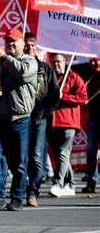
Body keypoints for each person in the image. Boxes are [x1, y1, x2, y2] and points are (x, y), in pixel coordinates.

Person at [0, 28, 38, 211]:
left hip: (19, 119)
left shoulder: (30, 62)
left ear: (22, 43)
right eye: (7, 41)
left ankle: (18, 196)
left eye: (14, 41)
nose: (10, 44)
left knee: (19, 161)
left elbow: (24, 73)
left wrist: (4, 58)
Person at [23, 33, 60, 207]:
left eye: (32, 45)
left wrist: (45, 112)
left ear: (36, 47)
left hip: (39, 118)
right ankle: (19, 192)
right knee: (20, 157)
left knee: (36, 156)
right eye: (26, 45)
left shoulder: (45, 69)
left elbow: (54, 93)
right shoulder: (16, 67)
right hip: (20, 118)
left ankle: (32, 192)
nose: (29, 48)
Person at [48, 53, 87, 197]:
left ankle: (58, 183)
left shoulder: (74, 77)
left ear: (65, 62)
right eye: (53, 62)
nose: (56, 65)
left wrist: (63, 97)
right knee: (60, 155)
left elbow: (83, 97)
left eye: (58, 62)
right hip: (52, 122)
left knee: (63, 153)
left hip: (68, 122)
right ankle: (70, 185)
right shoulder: (50, 78)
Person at [82, 57, 100, 194]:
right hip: (93, 118)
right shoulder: (90, 76)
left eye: (96, 60)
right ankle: (91, 181)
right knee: (91, 151)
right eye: (91, 61)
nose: (94, 63)